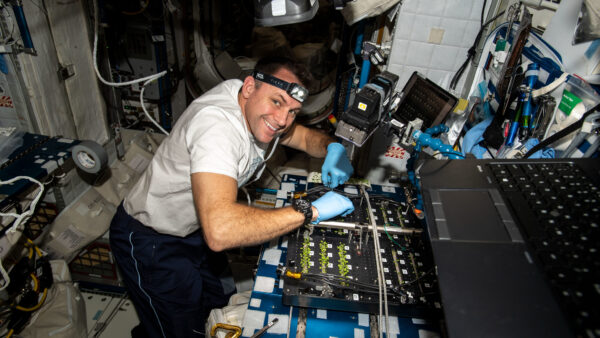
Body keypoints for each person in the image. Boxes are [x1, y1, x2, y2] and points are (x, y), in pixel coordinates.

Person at [109, 56, 355, 337]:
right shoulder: (217, 127)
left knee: (217, 304)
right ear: (250, 87)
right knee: (179, 328)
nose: (282, 120)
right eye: (277, 102)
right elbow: (221, 231)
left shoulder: (252, 104)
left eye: (293, 111)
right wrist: (309, 211)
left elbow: (306, 138)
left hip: (192, 231)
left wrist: (333, 148)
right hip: (151, 240)